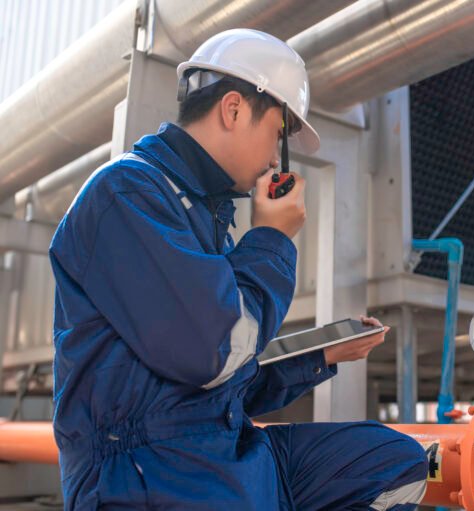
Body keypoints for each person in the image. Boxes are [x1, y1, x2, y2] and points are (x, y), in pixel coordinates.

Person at [49, 29, 427, 510]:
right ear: (233, 110)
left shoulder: (205, 220)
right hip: (151, 474)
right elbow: (213, 355)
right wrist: (272, 238)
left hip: (221, 452)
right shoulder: (125, 195)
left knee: (393, 463)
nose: (274, 158)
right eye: (277, 135)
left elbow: (227, 382)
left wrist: (323, 355)